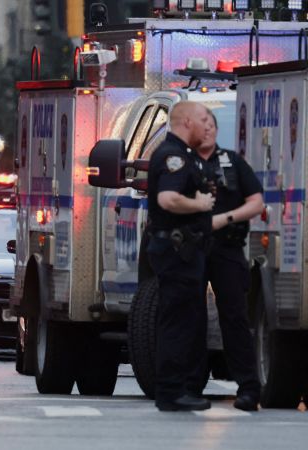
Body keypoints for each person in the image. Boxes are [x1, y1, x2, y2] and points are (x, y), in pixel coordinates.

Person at [146, 102, 215, 411]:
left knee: (186, 320)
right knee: (178, 322)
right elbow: (168, 198)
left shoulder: (182, 155)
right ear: (186, 121)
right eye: (203, 120)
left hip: (181, 251)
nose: (207, 126)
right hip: (177, 252)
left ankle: (179, 388)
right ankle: (172, 392)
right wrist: (199, 205)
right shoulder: (173, 157)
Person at [193, 111, 264, 412]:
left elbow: (257, 201)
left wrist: (227, 218)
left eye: (211, 126)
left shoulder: (233, 163)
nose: (207, 130)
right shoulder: (179, 162)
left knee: (234, 318)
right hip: (191, 250)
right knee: (189, 319)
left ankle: (248, 388)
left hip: (228, 248)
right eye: (201, 125)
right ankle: (189, 387)